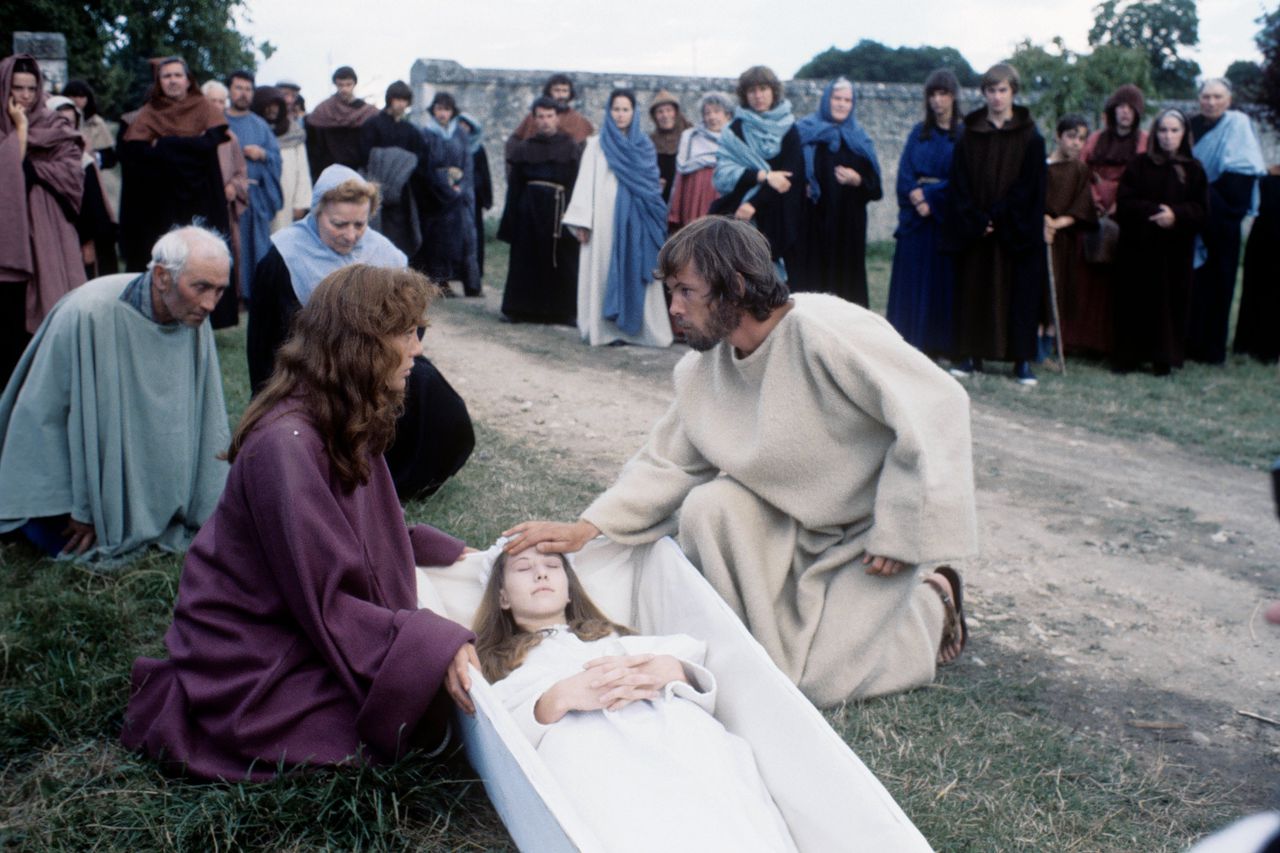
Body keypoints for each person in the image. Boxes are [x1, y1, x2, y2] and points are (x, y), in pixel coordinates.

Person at [504, 217, 977, 707]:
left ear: (735, 286)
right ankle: (761, 643)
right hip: (786, 531)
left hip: (868, 535)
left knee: (817, 687)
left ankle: (933, 601)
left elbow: (937, 404)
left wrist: (903, 527)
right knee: (711, 507)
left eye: (686, 291)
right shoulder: (704, 369)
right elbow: (668, 464)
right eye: (670, 291)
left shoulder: (825, 330)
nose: (674, 308)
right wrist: (586, 529)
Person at [122, 263, 480, 781]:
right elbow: (323, 596)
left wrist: (424, 545)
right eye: (405, 333)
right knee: (383, 725)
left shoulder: (340, 412)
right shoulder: (286, 444)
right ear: (361, 344)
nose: (417, 349)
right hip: (250, 644)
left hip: (293, 613)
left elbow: (344, 530)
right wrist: (429, 642)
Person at [477, 545, 799, 853]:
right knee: (629, 814)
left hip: (667, 725)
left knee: (716, 793)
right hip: (586, 746)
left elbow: (691, 668)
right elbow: (500, 727)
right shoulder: (507, 667)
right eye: (524, 568)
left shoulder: (615, 638)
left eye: (552, 566)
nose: (541, 574)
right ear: (502, 597)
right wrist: (559, 697)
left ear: (570, 590)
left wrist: (667, 669)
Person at [0, 226, 231, 563]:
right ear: (163, 277)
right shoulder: (90, 314)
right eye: (201, 287)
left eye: (220, 290)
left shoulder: (192, 314)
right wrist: (83, 505)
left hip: (144, 472)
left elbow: (200, 415)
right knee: (60, 536)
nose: (211, 303)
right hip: (64, 471)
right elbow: (42, 418)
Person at [248, 165, 474, 500]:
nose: (351, 235)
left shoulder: (383, 254)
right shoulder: (283, 257)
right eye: (338, 224)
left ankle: (402, 483)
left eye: (360, 224)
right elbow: (266, 341)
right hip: (317, 368)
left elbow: (411, 323)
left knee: (438, 403)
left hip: (379, 363)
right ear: (316, 211)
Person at [945, 63, 1047, 386]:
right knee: (974, 290)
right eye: (991, 90)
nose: (997, 97)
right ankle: (970, 354)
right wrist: (977, 219)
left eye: (1003, 90)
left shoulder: (1031, 135)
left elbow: (1031, 185)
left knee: (1018, 293)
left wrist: (1000, 216)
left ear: (1013, 92)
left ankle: (1020, 361)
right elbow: (958, 182)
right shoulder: (969, 133)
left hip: (1014, 230)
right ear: (984, 93)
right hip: (977, 230)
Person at [563, 89, 673, 348]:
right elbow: (585, 183)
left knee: (639, 265)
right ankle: (606, 330)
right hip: (602, 221)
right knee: (602, 270)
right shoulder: (596, 144)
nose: (620, 114)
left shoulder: (644, 145)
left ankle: (642, 332)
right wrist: (582, 220)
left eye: (625, 109)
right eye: (616, 109)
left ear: (633, 113)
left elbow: (650, 186)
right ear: (609, 112)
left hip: (638, 219)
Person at [0, 54, 86, 386]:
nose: (24, 96)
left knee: (47, 314)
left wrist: (30, 166)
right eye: (17, 87)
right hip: (8, 240)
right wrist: (19, 134)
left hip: (46, 233)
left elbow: (70, 171)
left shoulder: (55, 126)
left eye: (31, 88)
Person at [1111, 109, 1207, 375]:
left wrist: (1176, 215)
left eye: (1174, 130)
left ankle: (1163, 358)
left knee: (1169, 304)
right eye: (1163, 130)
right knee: (1134, 301)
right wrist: (1155, 212)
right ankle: (1128, 356)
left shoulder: (1193, 169)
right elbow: (1125, 203)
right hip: (1139, 248)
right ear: (1155, 134)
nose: (1168, 136)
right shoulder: (1139, 164)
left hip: (1175, 252)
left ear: (1184, 134)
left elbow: (1201, 209)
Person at [118, 57, 230, 275]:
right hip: (161, 201)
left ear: (188, 80)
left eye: (178, 75)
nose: (173, 81)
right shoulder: (149, 113)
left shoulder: (204, 107)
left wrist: (166, 144)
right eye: (167, 76)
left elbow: (211, 141)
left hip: (202, 196)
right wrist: (191, 144)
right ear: (159, 82)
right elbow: (137, 152)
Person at [1186, 78, 1267, 365]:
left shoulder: (1238, 126)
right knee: (1192, 284)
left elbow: (1243, 171)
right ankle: (1188, 343)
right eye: (1206, 96)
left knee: (1218, 285)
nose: (1210, 102)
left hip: (1224, 216)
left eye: (1217, 97)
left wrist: (1206, 196)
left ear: (1228, 100)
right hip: (1192, 214)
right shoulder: (1190, 125)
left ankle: (1211, 350)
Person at [885, 69, 961, 357]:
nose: (937, 101)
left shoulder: (962, 135)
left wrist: (931, 197)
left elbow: (963, 179)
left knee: (940, 282)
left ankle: (937, 343)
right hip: (916, 219)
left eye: (943, 94)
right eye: (933, 94)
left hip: (942, 219)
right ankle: (906, 340)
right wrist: (917, 198)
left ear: (953, 97)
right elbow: (905, 172)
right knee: (911, 280)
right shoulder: (919, 132)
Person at [710, 66, 806, 283]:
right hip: (739, 214)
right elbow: (723, 173)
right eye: (752, 90)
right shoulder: (734, 129)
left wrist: (753, 203)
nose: (758, 95)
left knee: (778, 286)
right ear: (745, 95)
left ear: (773, 91)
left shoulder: (789, 129)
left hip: (779, 212)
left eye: (763, 89)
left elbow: (789, 178)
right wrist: (763, 175)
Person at [795, 78, 883, 306]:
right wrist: (802, 184)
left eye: (847, 100)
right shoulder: (804, 132)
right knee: (812, 288)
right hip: (812, 226)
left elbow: (875, 189)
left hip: (848, 228)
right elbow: (790, 172)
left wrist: (858, 180)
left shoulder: (860, 138)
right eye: (837, 98)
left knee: (847, 289)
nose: (842, 104)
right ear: (826, 100)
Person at [498, 97, 581, 325]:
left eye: (549, 116)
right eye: (541, 116)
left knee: (560, 259)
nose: (545, 121)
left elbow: (575, 184)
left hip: (558, 209)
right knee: (525, 258)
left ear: (557, 117)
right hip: (529, 210)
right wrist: (511, 221)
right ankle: (519, 309)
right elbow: (515, 187)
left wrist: (574, 216)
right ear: (534, 119)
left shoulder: (571, 146)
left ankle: (563, 312)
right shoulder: (524, 148)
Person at [225, 71, 283, 303]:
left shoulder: (260, 126)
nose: (243, 93)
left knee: (256, 247)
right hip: (228, 198)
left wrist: (262, 154)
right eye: (238, 88)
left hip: (255, 196)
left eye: (248, 89)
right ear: (230, 90)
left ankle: (253, 295)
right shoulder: (219, 121)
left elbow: (277, 159)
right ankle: (230, 293)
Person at [1043, 114, 1097, 359]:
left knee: (1061, 288)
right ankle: (1035, 340)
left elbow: (1083, 206)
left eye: (1082, 139)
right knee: (1039, 288)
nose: (1076, 143)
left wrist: (1057, 223)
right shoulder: (1041, 167)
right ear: (1058, 136)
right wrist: (1044, 221)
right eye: (1071, 137)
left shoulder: (1080, 170)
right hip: (1040, 237)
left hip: (1064, 239)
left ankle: (1051, 340)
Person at [47, 96, 118, 282]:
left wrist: (88, 242)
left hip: (80, 240)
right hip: (49, 234)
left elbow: (93, 207)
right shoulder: (38, 156)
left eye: (71, 123)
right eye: (60, 121)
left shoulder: (83, 160)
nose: (66, 129)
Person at [418, 92, 480, 296]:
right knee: (438, 241)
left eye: (446, 109)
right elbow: (426, 167)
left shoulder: (460, 134)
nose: (442, 114)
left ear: (452, 112)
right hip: (436, 198)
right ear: (433, 111)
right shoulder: (427, 134)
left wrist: (461, 188)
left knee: (466, 239)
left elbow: (468, 164)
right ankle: (440, 283)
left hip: (460, 198)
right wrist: (443, 186)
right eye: (439, 109)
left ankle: (471, 284)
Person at [358, 80, 429, 259]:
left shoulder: (411, 131)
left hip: (402, 196)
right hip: (376, 190)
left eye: (404, 100)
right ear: (390, 99)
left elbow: (420, 159)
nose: (401, 104)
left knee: (400, 239)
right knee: (377, 235)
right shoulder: (372, 125)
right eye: (397, 99)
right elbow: (365, 156)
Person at [200, 79, 249, 329]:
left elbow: (242, 174)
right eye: (213, 101)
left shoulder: (230, 137)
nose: (218, 106)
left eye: (222, 101)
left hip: (224, 212)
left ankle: (222, 313)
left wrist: (234, 187)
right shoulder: (193, 133)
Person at [1232, 164, 1280, 363]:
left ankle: (1268, 349)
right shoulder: (1267, 177)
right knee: (1254, 288)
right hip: (1264, 236)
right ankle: (1246, 343)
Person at [667, 92, 733, 231]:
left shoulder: (737, 139)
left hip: (726, 195)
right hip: (695, 195)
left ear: (727, 115)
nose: (712, 117)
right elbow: (682, 171)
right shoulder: (691, 136)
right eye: (707, 113)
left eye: (717, 111)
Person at [304, 66, 377, 181]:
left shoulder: (367, 112)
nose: (344, 89)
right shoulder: (324, 110)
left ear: (354, 84)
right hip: (328, 170)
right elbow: (313, 144)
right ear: (335, 85)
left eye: (348, 84)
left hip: (358, 170)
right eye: (340, 85)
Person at [505, 73, 595, 165]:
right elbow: (514, 142)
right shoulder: (534, 117)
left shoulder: (578, 120)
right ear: (549, 92)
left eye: (565, 91)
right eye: (557, 90)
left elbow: (584, 152)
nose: (561, 95)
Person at [271, 79, 312, 232]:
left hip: (289, 195)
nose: (289, 99)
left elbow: (302, 170)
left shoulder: (296, 131)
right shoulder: (262, 123)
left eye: (293, 95)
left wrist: (301, 202)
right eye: (285, 94)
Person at [458, 113, 493, 280]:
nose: (463, 129)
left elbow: (484, 173)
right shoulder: (453, 145)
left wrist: (487, 198)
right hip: (455, 197)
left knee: (475, 236)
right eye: (460, 125)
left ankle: (474, 275)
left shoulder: (478, 149)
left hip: (475, 199)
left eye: (467, 126)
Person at [61, 80, 116, 170]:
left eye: (82, 96)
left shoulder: (96, 122)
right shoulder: (57, 120)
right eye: (73, 96)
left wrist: (93, 157)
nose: (77, 100)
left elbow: (110, 158)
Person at [648, 90, 692, 202]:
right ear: (654, 116)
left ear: (676, 112)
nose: (665, 115)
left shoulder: (690, 137)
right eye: (660, 112)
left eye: (669, 110)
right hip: (659, 199)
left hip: (686, 197)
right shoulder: (649, 142)